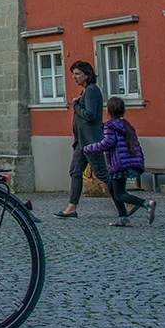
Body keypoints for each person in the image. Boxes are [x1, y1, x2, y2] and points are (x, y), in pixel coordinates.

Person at [81, 97, 157, 227]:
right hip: (127, 163)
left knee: (120, 194)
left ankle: (146, 204)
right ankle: (123, 218)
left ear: (108, 111)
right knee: (111, 186)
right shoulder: (127, 125)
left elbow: (107, 143)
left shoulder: (110, 126)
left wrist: (89, 148)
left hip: (118, 164)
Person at [55, 61, 109, 219]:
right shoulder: (86, 91)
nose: (74, 77)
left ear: (87, 75)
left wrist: (76, 105)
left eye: (77, 74)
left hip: (91, 141)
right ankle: (72, 207)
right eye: (73, 74)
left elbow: (90, 115)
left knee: (101, 173)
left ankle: (127, 201)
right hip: (81, 141)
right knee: (75, 172)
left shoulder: (91, 91)